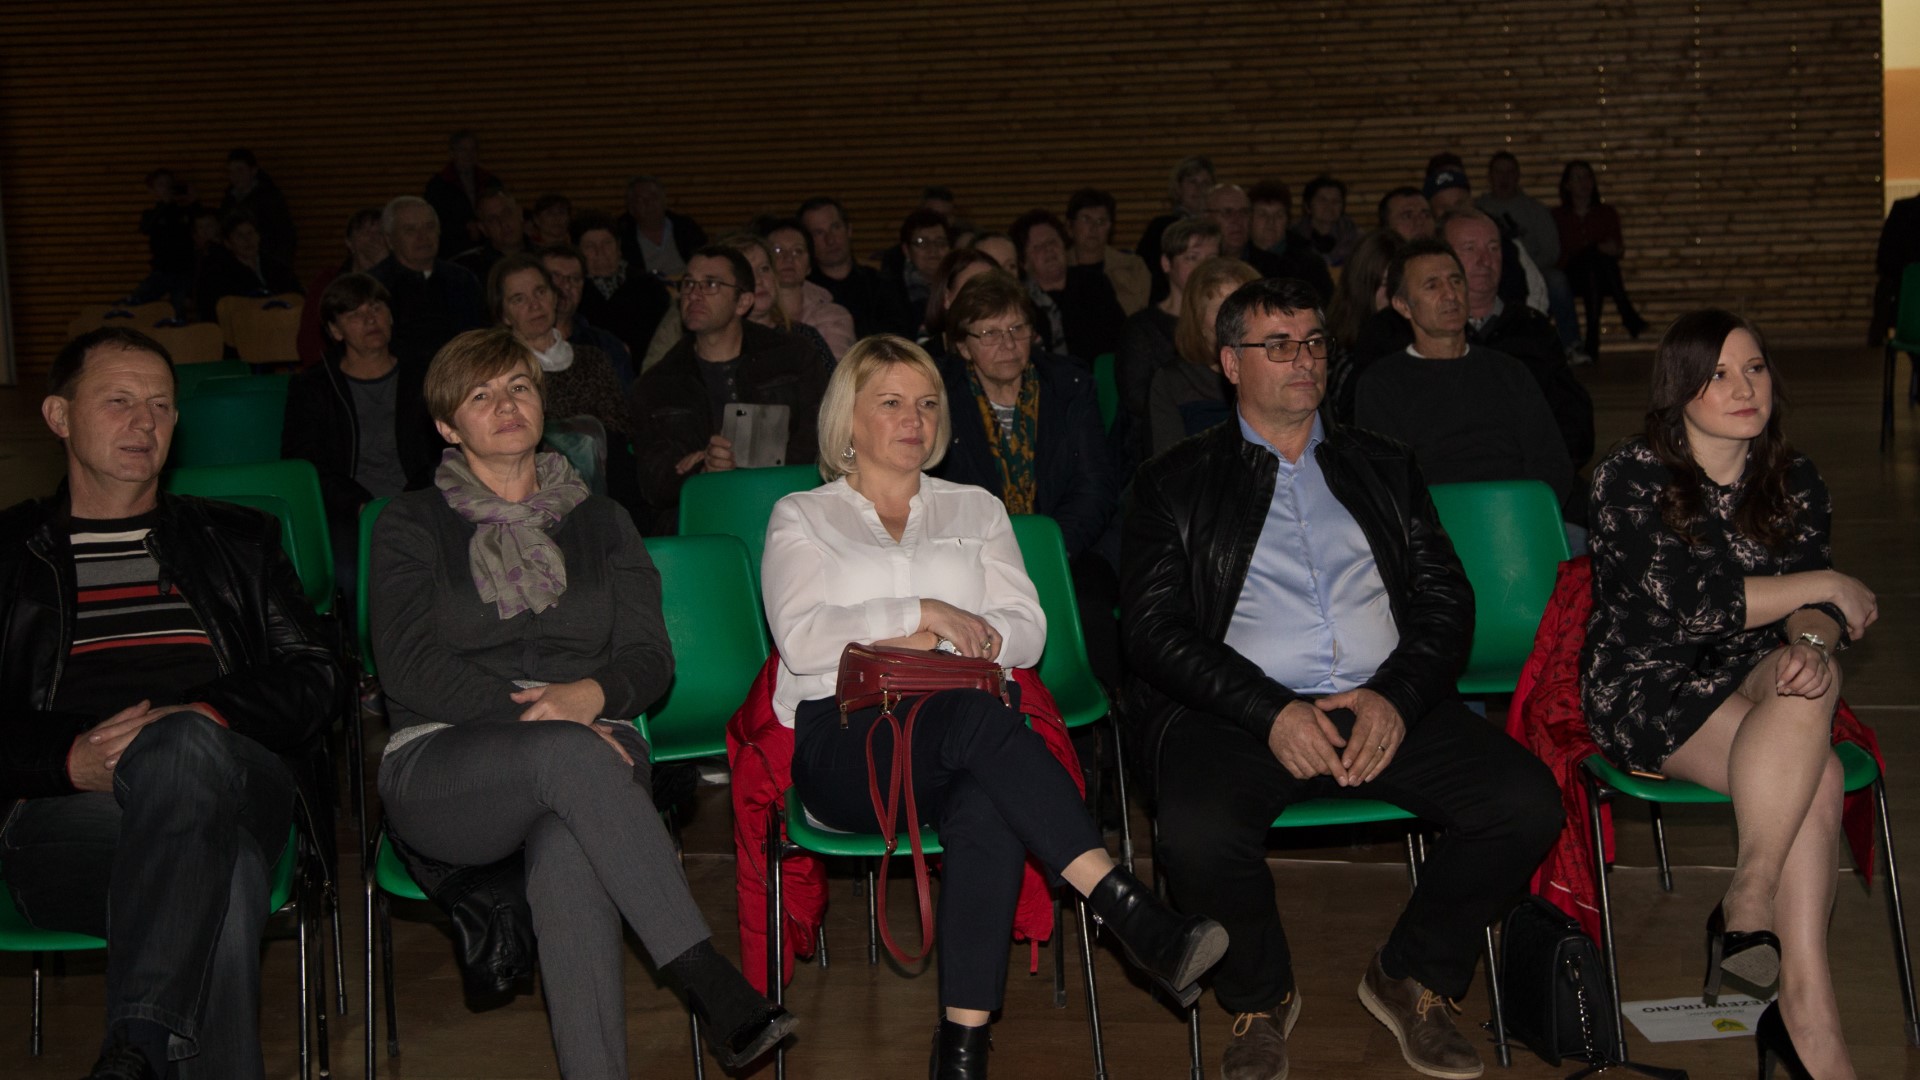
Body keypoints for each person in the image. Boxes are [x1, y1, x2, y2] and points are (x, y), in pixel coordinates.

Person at [1122, 277, 1563, 1080]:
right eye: (1278, 345)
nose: (1304, 360)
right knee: (1195, 831)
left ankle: (1412, 973)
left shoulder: (1383, 465)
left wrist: (1397, 695)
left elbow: (1447, 601)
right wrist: (1270, 711)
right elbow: (1152, 631)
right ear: (1230, 363)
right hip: (1240, 713)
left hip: (1381, 697)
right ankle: (1259, 998)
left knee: (1525, 801)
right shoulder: (1172, 481)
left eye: (1315, 343)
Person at [764, 334, 1227, 1077]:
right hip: (849, 743)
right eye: (892, 402)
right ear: (847, 418)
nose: (915, 418)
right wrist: (929, 614)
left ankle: (962, 1054)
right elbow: (804, 640)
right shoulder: (801, 516)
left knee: (986, 800)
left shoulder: (975, 508)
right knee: (984, 724)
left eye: (927, 404)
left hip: (962, 732)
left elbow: (1028, 629)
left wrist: (929, 639)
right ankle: (1127, 910)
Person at [370, 328, 796, 1080]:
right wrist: (543, 718)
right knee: (568, 756)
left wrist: (592, 694)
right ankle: (711, 983)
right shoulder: (411, 524)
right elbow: (408, 668)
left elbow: (649, 660)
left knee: (571, 851)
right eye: (480, 395)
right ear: (446, 426)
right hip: (445, 761)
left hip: (592, 742)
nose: (507, 404)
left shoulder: (602, 522)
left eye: (519, 387)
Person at [1, 327, 341, 1080]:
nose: (145, 422)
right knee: (231, 877)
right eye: (119, 401)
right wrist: (67, 759)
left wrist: (205, 717)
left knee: (182, 742)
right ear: (58, 416)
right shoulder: (7, 554)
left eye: (160, 405)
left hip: (235, 776)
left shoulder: (237, 540)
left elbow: (316, 676)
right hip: (65, 817)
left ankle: (138, 1043)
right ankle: (143, 1051)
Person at [1583, 310, 1877, 1080]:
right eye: (1717, 374)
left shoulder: (1793, 476)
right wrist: (1824, 586)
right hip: (1648, 679)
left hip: (1753, 665)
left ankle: (1751, 901)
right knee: (1819, 775)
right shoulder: (1630, 475)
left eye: (1754, 368)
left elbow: (1815, 615)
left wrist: (1812, 640)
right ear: (1678, 389)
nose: (1744, 388)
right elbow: (1696, 608)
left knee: (1811, 678)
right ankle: (1805, 1015)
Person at [933, 271, 1121, 684]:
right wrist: (1003, 556)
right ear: (963, 346)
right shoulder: (940, 398)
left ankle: (1103, 712)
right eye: (990, 333)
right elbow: (942, 495)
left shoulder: (1069, 385)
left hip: (1069, 548)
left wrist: (1048, 550)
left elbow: (1095, 486)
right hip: (975, 556)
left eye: (1017, 329)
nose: (1007, 344)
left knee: (1089, 610)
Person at [1353, 238, 1574, 514]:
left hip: (1516, 517)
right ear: (1403, 305)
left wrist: (1522, 513)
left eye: (1456, 281)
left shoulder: (1508, 372)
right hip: (1434, 525)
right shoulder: (1382, 384)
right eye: (1432, 285)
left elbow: (1552, 463)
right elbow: (1385, 481)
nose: (1450, 294)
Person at [627, 245, 827, 521]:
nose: (694, 294)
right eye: (689, 283)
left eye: (711, 284)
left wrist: (744, 467)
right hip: (703, 518)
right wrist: (703, 469)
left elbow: (823, 440)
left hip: (788, 505)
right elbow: (653, 484)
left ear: (743, 302)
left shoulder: (791, 357)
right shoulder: (657, 384)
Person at [281, 272, 443, 601]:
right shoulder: (313, 387)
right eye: (355, 314)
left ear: (391, 316)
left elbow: (444, 448)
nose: (370, 319)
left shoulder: (425, 375)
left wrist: (413, 498)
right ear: (335, 330)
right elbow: (305, 463)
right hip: (348, 508)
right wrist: (357, 505)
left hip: (421, 496)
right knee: (350, 574)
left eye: (376, 308)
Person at [1440, 209, 1594, 471]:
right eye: (1469, 248)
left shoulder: (1532, 328)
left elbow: (1573, 421)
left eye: (1493, 248)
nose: (1485, 260)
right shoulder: (1426, 333)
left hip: (1527, 476)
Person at [488, 253, 634, 500]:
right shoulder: (499, 373)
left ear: (555, 297)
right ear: (504, 314)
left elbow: (620, 429)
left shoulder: (593, 358)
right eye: (519, 299)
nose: (534, 305)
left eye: (540, 292)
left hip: (605, 488)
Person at [1115, 219, 1222, 451]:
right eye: (1192, 258)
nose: (1204, 268)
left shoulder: (1225, 321)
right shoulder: (1140, 327)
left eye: (1211, 259)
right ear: (1166, 263)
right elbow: (1138, 400)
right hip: (1157, 442)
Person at [1147, 256, 1259, 457]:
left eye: (1243, 309)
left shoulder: (1272, 371)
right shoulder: (1172, 382)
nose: (1235, 320)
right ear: (1198, 320)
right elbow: (1169, 465)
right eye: (1223, 310)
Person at [1476, 151, 1583, 361]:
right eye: (1499, 172)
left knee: (1557, 280)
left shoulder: (1535, 210)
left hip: (1535, 269)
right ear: (1490, 176)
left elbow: (1551, 250)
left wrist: (1526, 268)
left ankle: (1571, 343)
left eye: (1509, 172)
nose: (1504, 178)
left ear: (1517, 176)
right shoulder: (1478, 210)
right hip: (1489, 269)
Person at [370, 196, 488, 367]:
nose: (423, 237)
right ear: (390, 239)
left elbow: (480, 336)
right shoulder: (375, 286)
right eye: (410, 230)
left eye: (430, 227)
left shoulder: (462, 279)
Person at [1553, 160, 1648, 361]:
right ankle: (1626, 312)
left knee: (1596, 264)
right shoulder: (1557, 216)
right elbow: (1561, 253)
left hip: (1600, 277)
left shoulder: (1606, 213)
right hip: (1570, 276)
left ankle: (1593, 337)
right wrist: (1595, 247)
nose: (1584, 182)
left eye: (1587, 177)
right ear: (1567, 185)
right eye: (1577, 178)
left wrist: (1596, 249)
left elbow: (1616, 248)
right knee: (1593, 256)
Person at [1010, 208, 1126, 361]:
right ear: (1023, 262)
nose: (1048, 249)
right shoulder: (1020, 301)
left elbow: (1122, 336)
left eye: (1052, 242)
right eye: (1038, 247)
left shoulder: (1094, 284)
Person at [1427, 170, 1547, 317]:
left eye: (1460, 203)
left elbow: (1536, 294)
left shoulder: (1507, 245)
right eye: (1444, 207)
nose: (1454, 211)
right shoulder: (1420, 258)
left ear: (1471, 202)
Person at [798, 196, 916, 338]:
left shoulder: (881, 284)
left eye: (835, 227)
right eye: (818, 233)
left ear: (849, 230)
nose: (830, 239)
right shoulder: (804, 293)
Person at [572, 210, 674, 371]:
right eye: (590, 246)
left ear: (618, 247)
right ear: (578, 252)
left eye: (607, 243)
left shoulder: (649, 286)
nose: (600, 252)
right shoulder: (572, 291)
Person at [1325, 229, 1406, 425]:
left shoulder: (1418, 344)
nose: (1396, 295)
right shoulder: (1344, 361)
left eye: (1402, 285)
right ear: (1363, 286)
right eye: (1386, 284)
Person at [297, 208, 390, 367]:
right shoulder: (328, 280)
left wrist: (387, 269)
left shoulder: (399, 282)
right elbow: (310, 335)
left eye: (380, 232)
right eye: (365, 232)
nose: (373, 238)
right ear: (349, 242)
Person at [538, 242, 635, 388]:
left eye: (574, 278)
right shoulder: (517, 345)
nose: (566, 286)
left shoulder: (604, 345)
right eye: (555, 277)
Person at [761, 217, 856, 360]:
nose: (788, 258)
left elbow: (835, 368)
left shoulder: (834, 315)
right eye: (778, 250)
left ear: (809, 266)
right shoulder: (754, 312)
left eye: (798, 251)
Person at [192, 210, 303, 324]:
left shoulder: (278, 268)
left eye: (250, 233)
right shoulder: (217, 275)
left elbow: (298, 298)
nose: (247, 240)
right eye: (239, 235)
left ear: (258, 236)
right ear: (228, 243)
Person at [1136, 155, 1216, 305]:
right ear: (1178, 188)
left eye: (1206, 183)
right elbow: (1146, 271)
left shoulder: (1218, 228)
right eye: (1192, 182)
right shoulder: (1160, 227)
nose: (1200, 189)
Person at [1245, 180, 1335, 303]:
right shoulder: (1239, 256)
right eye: (1263, 214)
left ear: (1287, 220)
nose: (1271, 222)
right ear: (1249, 218)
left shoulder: (1309, 263)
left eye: (1279, 215)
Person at [1065, 187, 1151, 315]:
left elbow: (1140, 314)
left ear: (1110, 227)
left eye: (1101, 221)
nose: (1094, 227)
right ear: (1069, 226)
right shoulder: (1058, 268)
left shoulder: (1133, 267)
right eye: (1086, 219)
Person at [128, 168, 199, 317]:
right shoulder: (151, 214)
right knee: (135, 303)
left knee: (178, 312)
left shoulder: (185, 211)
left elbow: (200, 225)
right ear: (153, 190)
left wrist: (194, 202)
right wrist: (165, 205)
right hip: (161, 271)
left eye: (168, 184)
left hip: (183, 272)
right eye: (161, 185)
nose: (166, 188)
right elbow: (146, 228)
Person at [423, 130, 503, 260]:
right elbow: (434, 220)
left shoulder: (490, 181)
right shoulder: (438, 186)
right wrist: (464, 228)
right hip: (452, 251)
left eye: (472, 150)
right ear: (452, 153)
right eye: (463, 150)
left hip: (490, 248)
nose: (468, 155)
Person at [617, 175, 707, 279]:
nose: (649, 204)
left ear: (664, 201)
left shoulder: (686, 228)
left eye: (654, 197)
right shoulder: (623, 237)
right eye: (641, 200)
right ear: (631, 208)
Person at [219, 149, 296, 264]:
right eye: (231, 172)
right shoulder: (228, 201)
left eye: (240, 170)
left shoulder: (270, 199)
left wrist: (276, 264)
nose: (235, 176)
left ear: (253, 171)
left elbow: (285, 234)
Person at [922, 247, 1002, 354]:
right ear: (946, 297)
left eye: (992, 290)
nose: (985, 299)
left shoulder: (1013, 348)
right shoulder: (923, 360)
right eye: (972, 289)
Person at [888, 208, 955, 335]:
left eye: (940, 242)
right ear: (906, 250)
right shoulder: (889, 292)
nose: (933, 249)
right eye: (922, 242)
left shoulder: (959, 283)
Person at [453, 185, 527, 282]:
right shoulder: (466, 270)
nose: (503, 223)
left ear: (520, 213)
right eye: (492, 219)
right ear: (483, 228)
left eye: (507, 213)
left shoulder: (543, 257)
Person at [1289, 174, 1361, 268]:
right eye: (1322, 200)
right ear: (1307, 206)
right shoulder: (1292, 238)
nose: (1329, 206)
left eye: (1336, 201)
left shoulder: (1357, 239)